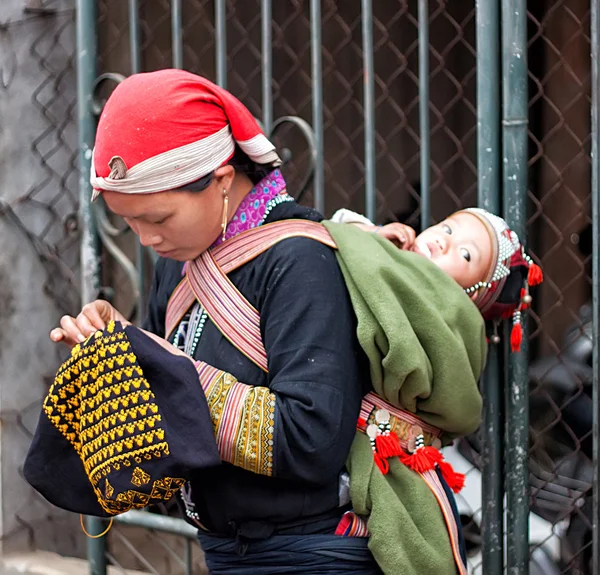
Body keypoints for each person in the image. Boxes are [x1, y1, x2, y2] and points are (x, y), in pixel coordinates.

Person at [49, 69, 383, 575]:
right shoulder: (179, 264)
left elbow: (311, 440)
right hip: (224, 549)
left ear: (222, 180)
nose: (145, 239)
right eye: (129, 221)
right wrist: (120, 348)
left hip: (309, 553)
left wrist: (166, 369)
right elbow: (168, 416)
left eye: (158, 219)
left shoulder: (299, 262)